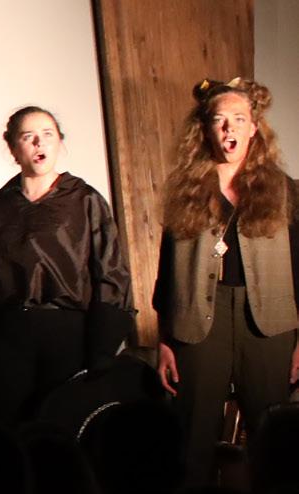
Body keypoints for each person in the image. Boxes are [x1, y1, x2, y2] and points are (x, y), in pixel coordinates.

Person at [152, 77, 296, 485]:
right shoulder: (185, 188)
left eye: (239, 119)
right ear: (205, 128)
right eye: (219, 120)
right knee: (192, 437)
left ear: (254, 128)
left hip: (267, 323)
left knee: (271, 437)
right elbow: (167, 270)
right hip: (198, 321)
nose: (229, 128)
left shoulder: (284, 189)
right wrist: (165, 339)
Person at [0, 106, 134, 425]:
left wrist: (102, 350)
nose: (39, 143)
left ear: (59, 141)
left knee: (60, 428)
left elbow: (111, 272)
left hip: (67, 337)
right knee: (10, 431)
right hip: (6, 337)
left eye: (47, 134)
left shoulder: (85, 200)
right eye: (28, 136)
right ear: (13, 148)